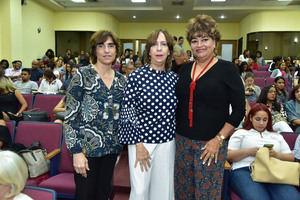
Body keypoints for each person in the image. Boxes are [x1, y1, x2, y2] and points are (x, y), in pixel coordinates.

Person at [175, 14, 245, 200]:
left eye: (205, 39)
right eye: (195, 41)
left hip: (211, 144)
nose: (200, 45)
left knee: (206, 195)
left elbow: (239, 110)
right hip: (182, 143)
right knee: (183, 193)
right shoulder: (185, 69)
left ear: (215, 42)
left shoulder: (227, 69)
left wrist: (219, 139)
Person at [65, 30, 126, 200]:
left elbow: (114, 113)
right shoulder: (82, 75)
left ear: (116, 50)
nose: (106, 50)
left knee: (103, 195)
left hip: (111, 150)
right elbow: (70, 118)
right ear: (94, 50)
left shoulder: (122, 80)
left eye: (111, 46)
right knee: (85, 195)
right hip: (86, 151)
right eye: (101, 46)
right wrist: (76, 152)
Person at [118, 29, 177, 200]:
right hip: (141, 143)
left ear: (169, 51)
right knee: (140, 191)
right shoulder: (136, 77)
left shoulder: (174, 79)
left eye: (163, 44)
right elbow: (127, 112)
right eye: (154, 45)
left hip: (167, 143)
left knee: (163, 191)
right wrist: (138, 145)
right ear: (148, 50)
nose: (159, 49)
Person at [227, 103, 300, 200]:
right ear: (251, 118)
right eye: (258, 119)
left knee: (292, 197)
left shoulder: (276, 135)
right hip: (245, 170)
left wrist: (276, 155)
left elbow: (291, 157)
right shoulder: (241, 133)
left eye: (265, 120)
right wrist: (249, 152)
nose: (261, 123)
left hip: (273, 171)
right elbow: (229, 155)